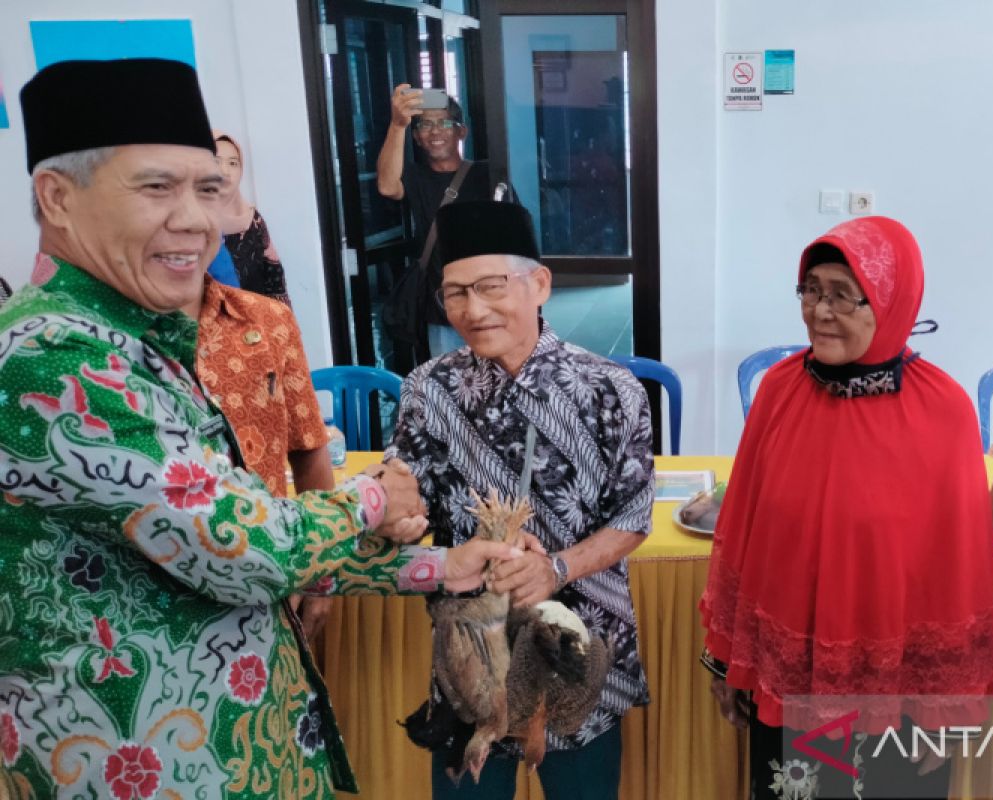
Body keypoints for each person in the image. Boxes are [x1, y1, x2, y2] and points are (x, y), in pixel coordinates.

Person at [0, 57, 527, 799]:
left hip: (241, 749)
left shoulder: (142, 342)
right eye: (156, 186)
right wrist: (374, 499)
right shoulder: (53, 357)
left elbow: (237, 539)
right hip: (140, 769)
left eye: (209, 188)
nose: (196, 219)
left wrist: (440, 568)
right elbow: (245, 549)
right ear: (56, 197)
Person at [700, 216, 993, 799]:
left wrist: (946, 711)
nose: (820, 311)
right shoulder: (780, 390)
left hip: (898, 696)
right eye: (811, 290)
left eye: (843, 294)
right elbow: (741, 529)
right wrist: (727, 660)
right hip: (787, 682)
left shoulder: (943, 410)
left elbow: (961, 571)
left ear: (892, 301)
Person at [386, 201, 655, 800]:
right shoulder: (429, 389)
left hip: (581, 646)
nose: (473, 310)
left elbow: (634, 518)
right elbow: (410, 499)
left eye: (490, 286)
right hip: (471, 653)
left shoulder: (609, 390)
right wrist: (395, 515)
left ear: (539, 284)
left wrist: (555, 568)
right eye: (454, 293)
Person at [189, 274, 337, 638]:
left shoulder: (268, 318)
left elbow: (309, 448)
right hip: (162, 606)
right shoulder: (93, 340)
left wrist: (318, 576)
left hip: (274, 590)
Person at [376, 85, 498, 369]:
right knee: (447, 389)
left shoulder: (487, 174)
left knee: (495, 388)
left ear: (461, 131)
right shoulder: (416, 177)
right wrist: (398, 124)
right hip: (442, 307)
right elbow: (386, 185)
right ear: (416, 137)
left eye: (444, 122)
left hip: (490, 302)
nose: (435, 131)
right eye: (425, 124)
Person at [212, 129, 290, 305]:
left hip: (256, 326)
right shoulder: (188, 226)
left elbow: (275, 281)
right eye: (216, 161)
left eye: (233, 163)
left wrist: (283, 326)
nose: (225, 171)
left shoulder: (253, 221)